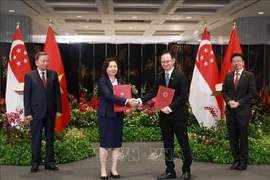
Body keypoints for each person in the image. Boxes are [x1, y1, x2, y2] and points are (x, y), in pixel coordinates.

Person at [137, 50, 192, 180]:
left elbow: (183, 96)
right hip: (165, 117)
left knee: (183, 143)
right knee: (168, 145)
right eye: (163, 62)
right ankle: (169, 170)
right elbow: (154, 92)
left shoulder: (181, 76)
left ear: (173, 60)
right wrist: (140, 100)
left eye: (167, 61)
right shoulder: (160, 76)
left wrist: (170, 107)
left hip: (178, 117)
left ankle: (186, 170)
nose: (165, 64)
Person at [97, 57, 136, 179]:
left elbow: (124, 95)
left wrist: (128, 105)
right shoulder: (102, 81)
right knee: (105, 144)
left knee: (116, 144)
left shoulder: (120, 81)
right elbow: (108, 96)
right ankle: (103, 169)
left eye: (115, 66)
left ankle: (113, 169)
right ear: (106, 68)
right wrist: (127, 101)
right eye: (110, 66)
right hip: (106, 115)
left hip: (118, 115)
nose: (113, 68)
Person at [24, 52, 62, 173]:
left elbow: (57, 94)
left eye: (47, 61)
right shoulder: (29, 76)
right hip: (36, 113)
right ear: (36, 63)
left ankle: (49, 162)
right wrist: (28, 112)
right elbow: (27, 96)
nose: (46, 63)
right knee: (36, 138)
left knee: (50, 138)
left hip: (50, 112)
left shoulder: (53, 74)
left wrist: (58, 110)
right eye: (43, 61)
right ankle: (35, 163)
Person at [222, 53, 256, 171]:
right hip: (230, 111)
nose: (236, 63)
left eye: (238, 61)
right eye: (234, 61)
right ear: (231, 63)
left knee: (243, 136)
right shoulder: (228, 76)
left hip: (243, 111)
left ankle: (243, 161)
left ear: (243, 63)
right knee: (232, 137)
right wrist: (229, 101)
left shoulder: (249, 76)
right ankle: (236, 160)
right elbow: (224, 91)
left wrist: (239, 102)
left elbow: (252, 93)